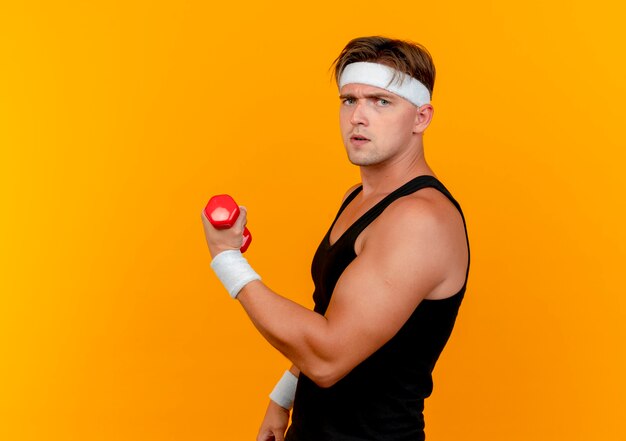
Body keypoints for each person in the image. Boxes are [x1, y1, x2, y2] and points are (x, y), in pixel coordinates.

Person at [201, 36, 470, 441]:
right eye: (349, 100)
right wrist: (282, 399)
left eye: (381, 101)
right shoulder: (358, 198)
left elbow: (327, 357)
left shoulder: (420, 220)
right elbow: (332, 311)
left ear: (421, 117)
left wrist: (227, 260)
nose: (358, 117)